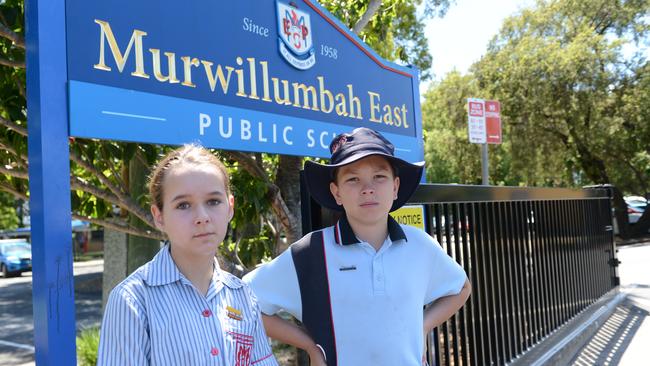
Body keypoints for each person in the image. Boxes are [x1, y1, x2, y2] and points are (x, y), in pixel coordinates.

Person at [244, 128, 471, 365]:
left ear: (395, 187)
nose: (368, 188)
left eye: (379, 177)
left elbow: (460, 288)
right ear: (337, 192)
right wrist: (309, 345)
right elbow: (245, 303)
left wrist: (422, 325)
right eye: (353, 179)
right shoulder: (311, 253)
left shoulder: (419, 245)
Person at [98, 145, 278, 366]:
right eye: (183, 205)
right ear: (159, 216)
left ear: (230, 207)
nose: (202, 217)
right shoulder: (133, 301)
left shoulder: (242, 295)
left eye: (213, 201)